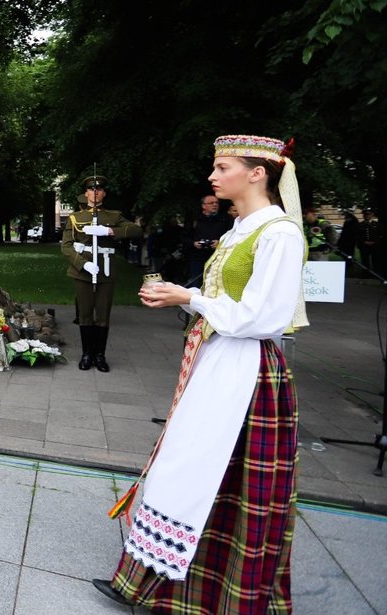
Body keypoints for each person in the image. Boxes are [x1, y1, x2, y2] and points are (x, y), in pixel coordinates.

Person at [94, 134, 306, 612]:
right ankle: (151, 585)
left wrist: (188, 298)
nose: (213, 177)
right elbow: (225, 298)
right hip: (219, 359)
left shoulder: (279, 233)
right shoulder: (240, 230)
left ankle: (224, 597)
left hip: (248, 371)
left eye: (223, 167)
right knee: (187, 470)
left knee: (225, 480)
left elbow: (263, 316)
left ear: (258, 173)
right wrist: (182, 292)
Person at [60, 175, 143, 372]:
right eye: (91, 189)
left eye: (99, 189)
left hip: (105, 269)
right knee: (86, 313)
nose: (95, 192)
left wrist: (109, 232)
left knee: (103, 314)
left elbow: (136, 230)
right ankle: (86, 354)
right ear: (86, 193)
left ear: (103, 193)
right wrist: (83, 264)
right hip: (84, 270)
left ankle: (100, 355)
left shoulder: (113, 216)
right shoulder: (75, 217)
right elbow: (66, 246)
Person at [185, 194, 227, 287]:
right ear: (203, 206)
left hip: (217, 257)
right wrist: (194, 244)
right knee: (197, 284)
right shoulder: (194, 220)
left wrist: (220, 242)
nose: (215, 205)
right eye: (211, 203)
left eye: (216, 203)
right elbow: (185, 238)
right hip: (197, 258)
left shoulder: (224, 220)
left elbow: (231, 237)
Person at [361, 209, 381, 273]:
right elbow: (357, 236)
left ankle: (376, 273)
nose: (367, 216)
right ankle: (366, 273)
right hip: (364, 246)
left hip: (374, 245)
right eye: (365, 215)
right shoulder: (359, 225)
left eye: (368, 214)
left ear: (372, 215)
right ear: (363, 216)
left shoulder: (377, 224)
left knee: (376, 260)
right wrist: (364, 241)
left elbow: (380, 235)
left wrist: (375, 241)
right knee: (365, 261)